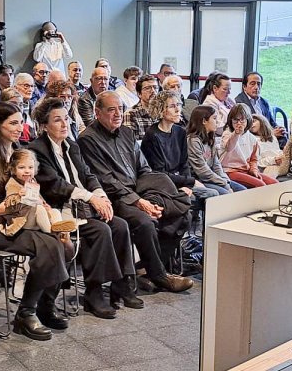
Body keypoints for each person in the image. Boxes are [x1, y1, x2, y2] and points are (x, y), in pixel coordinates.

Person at [0, 102, 71, 340]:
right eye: (13, 122)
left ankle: (45, 304)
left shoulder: (16, 151)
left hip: (19, 218)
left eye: (21, 120)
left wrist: (37, 200)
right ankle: (26, 313)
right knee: (49, 245)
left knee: (62, 242)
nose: (20, 126)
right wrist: (22, 201)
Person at [30, 97, 138, 319]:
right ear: (44, 125)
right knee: (101, 230)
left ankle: (121, 285)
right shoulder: (37, 149)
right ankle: (94, 292)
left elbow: (88, 175)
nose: (64, 124)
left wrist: (101, 196)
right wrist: (91, 198)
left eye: (66, 119)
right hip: (60, 210)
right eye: (57, 120)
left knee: (119, 225)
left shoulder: (71, 145)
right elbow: (55, 185)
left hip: (82, 206)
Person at [79, 91, 195, 293]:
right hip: (113, 198)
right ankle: (160, 276)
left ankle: (145, 269)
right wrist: (139, 202)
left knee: (183, 213)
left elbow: (144, 168)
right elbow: (106, 180)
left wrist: (151, 198)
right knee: (145, 221)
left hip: (139, 188)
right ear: (97, 112)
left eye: (121, 109)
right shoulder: (87, 139)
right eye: (111, 110)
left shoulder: (126, 132)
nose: (118, 114)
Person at [142, 91, 225, 215]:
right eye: (172, 106)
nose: (177, 110)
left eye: (178, 105)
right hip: (163, 183)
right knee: (212, 194)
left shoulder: (179, 132)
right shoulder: (152, 135)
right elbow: (159, 173)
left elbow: (184, 164)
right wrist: (188, 182)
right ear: (161, 110)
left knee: (218, 193)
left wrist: (188, 184)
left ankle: (204, 230)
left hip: (180, 180)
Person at [0, 149, 79, 241]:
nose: (27, 171)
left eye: (30, 168)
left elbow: (37, 197)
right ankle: (51, 232)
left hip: (35, 218)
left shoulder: (32, 181)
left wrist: (45, 205)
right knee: (38, 209)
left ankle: (59, 228)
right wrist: (19, 196)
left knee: (54, 211)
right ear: (13, 170)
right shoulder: (12, 184)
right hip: (22, 219)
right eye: (21, 168)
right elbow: (9, 203)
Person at [185, 104, 243, 196]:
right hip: (199, 179)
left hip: (212, 178)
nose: (218, 122)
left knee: (242, 190)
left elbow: (216, 164)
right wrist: (224, 184)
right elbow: (202, 171)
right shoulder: (193, 141)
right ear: (204, 121)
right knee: (226, 194)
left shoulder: (210, 137)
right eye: (215, 118)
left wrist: (226, 181)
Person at [219, 104, 276, 188]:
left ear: (248, 120)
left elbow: (254, 159)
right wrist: (236, 134)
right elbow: (229, 147)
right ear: (230, 120)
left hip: (246, 170)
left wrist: (254, 169)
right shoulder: (227, 133)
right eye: (235, 120)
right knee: (260, 185)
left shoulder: (251, 138)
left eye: (242, 120)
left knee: (274, 183)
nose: (239, 123)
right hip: (229, 171)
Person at [236, 72, 284, 142]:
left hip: (268, 135)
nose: (256, 87)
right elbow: (246, 129)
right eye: (252, 84)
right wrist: (270, 134)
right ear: (244, 87)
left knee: (283, 135)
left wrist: (278, 129)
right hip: (254, 140)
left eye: (259, 84)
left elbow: (271, 122)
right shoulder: (239, 103)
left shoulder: (264, 102)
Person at [252, 113, 292, 178]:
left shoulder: (272, 137)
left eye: (253, 121)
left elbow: (276, 151)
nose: (251, 125)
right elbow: (258, 162)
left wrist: (282, 154)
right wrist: (274, 160)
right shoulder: (253, 140)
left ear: (261, 121)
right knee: (269, 175)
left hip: (283, 161)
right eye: (249, 123)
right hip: (269, 166)